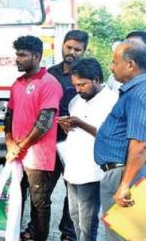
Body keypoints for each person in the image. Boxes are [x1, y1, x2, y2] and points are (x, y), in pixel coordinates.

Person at [26, 30, 88, 241]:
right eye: (69, 47)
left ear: (84, 51)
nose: (72, 52)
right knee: (41, 192)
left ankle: (68, 233)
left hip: (76, 144)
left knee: (72, 192)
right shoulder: (49, 74)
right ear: (62, 46)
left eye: (77, 49)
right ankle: (34, 229)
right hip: (49, 144)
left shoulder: (88, 73)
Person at [5, 36, 63, 241]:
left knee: (39, 204)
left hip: (38, 157)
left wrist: (19, 146)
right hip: (17, 153)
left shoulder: (49, 83)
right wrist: (10, 142)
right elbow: (9, 115)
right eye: (17, 54)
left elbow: (44, 123)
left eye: (22, 55)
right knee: (15, 199)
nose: (17, 59)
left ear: (37, 56)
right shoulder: (17, 83)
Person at [57, 58, 117, 241]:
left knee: (87, 221)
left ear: (97, 80)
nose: (78, 89)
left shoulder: (111, 100)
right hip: (74, 166)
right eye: (75, 85)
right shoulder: (77, 99)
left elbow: (108, 135)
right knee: (74, 215)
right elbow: (75, 126)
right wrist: (67, 125)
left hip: (92, 170)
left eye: (82, 84)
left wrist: (80, 124)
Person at [94, 40, 146, 240]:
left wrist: (124, 185)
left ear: (131, 64)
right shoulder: (134, 91)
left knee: (123, 235)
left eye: (115, 62)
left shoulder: (140, 93)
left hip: (126, 175)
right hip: (122, 173)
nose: (111, 67)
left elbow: (140, 144)